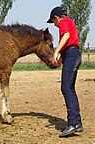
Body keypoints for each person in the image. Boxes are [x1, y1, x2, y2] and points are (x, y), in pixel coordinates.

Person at [47, 6, 83, 138]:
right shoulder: (69, 21)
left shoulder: (63, 22)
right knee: (70, 88)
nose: (55, 25)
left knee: (66, 88)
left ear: (56, 18)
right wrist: (60, 58)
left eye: (53, 22)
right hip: (73, 54)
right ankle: (76, 123)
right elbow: (69, 42)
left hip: (72, 54)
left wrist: (56, 51)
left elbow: (67, 36)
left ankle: (73, 123)